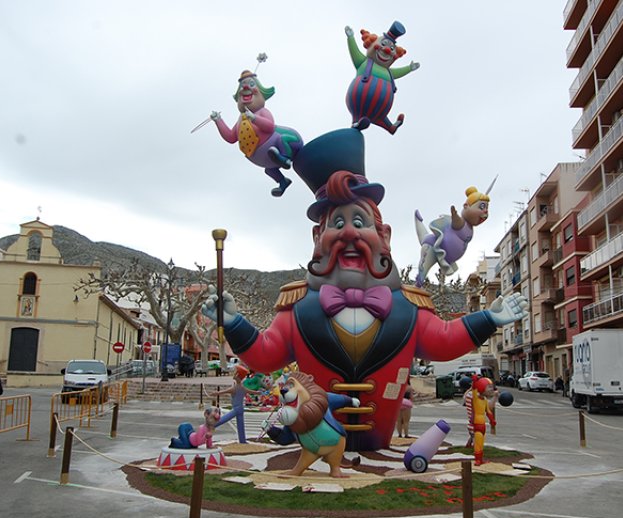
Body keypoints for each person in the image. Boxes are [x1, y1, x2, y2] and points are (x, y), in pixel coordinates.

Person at [202, 128, 527, 451]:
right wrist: (234, 323)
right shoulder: (297, 308)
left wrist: (489, 318)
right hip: (317, 450)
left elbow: (442, 341)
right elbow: (266, 354)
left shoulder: (408, 308)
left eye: (359, 223)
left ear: (383, 236)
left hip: (381, 448)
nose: (348, 235)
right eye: (337, 224)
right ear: (318, 238)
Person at [210, 364, 249, 443]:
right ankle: (242, 441)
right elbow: (251, 392)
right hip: (240, 409)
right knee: (240, 425)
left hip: (236, 409)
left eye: (235, 372)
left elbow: (223, 392)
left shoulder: (235, 388)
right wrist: (260, 393)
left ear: (237, 375)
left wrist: (215, 393)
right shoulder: (242, 387)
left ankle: (213, 425)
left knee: (224, 419)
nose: (233, 374)